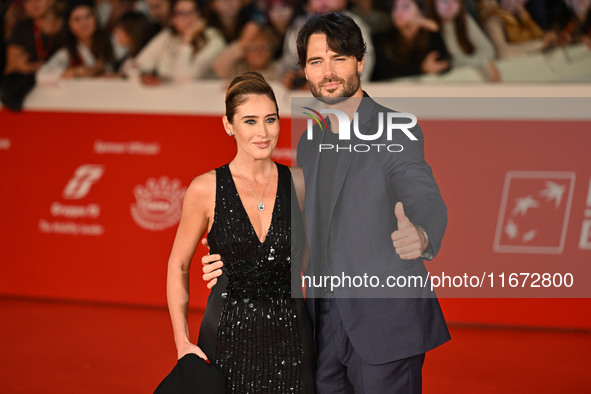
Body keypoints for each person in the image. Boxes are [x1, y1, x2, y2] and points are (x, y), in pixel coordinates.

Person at [204, 12, 450, 393]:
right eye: (317, 61)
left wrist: (420, 233)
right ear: (305, 70)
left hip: (382, 319)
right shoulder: (312, 140)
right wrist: (233, 248)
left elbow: (425, 195)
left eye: (339, 58)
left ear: (360, 62)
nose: (328, 71)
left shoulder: (396, 129)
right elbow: (307, 223)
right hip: (322, 323)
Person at [166, 72, 315, 393]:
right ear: (228, 125)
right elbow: (178, 265)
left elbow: (315, 268)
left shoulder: (300, 184)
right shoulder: (205, 188)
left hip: (293, 340)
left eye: (270, 119)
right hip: (225, 339)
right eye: (250, 121)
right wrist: (182, 341)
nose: (263, 132)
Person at [129, 0, 225, 84]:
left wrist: (186, 41)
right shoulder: (168, 36)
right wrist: (143, 77)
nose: (187, 18)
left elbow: (183, 78)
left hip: (199, 98)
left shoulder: (213, 38)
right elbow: (135, 66)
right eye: (180, 13)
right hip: (166, 97)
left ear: (199, 14)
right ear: (173, 18)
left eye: (191, 12)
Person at [1, 0, 63, 109]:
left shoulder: (69, 24)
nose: (34, 4)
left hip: (65, 92)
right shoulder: (21, 28)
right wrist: (24, 67)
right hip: (30, 101)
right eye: (27, 1)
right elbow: (10, 68)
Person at [36, 0, 115, 85]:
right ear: (69, 25)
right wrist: (75, 72)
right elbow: (41, 76)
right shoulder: (67, 53)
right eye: (77, 19)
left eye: (88, 16)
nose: (84, 23)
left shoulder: (111, 42)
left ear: (96, 18)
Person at [372, 0, 451, 80]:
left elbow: (444, 62)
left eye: (405, 6)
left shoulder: (429, 35)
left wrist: (433, 28)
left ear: (421, 12)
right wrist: (421, 68)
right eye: (395, 7)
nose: (398, 11)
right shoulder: (380, 38)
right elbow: (384, 73)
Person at [430, 0, 500, 81]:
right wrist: (482, 63)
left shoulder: (465, 20)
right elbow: (451, 60)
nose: (449, 5)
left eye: (454, 2)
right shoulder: (430, 28)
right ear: (434, 3)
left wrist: (483, 62)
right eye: (444, 1)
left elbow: (488, 50)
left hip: (471, 75)